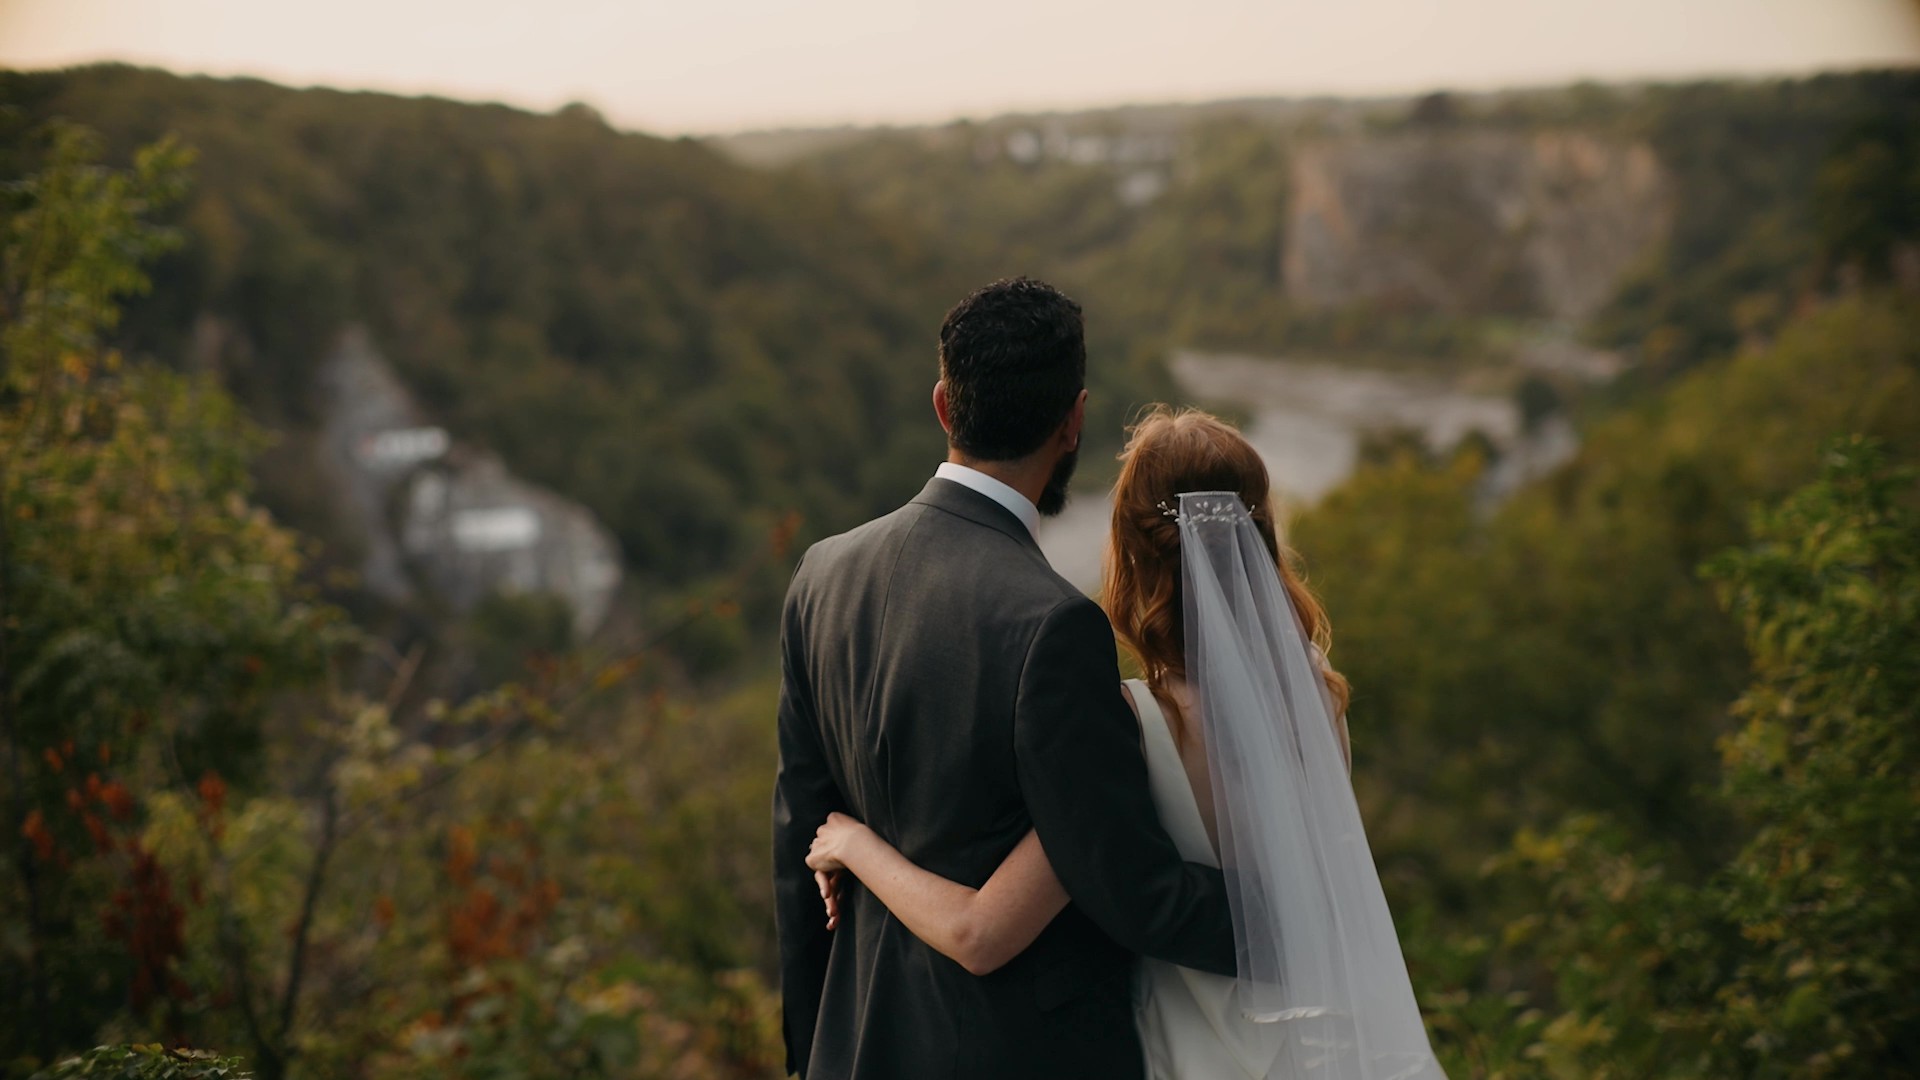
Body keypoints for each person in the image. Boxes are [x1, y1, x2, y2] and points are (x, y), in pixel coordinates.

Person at [807, 408, 1447, 1080]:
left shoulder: (1130, 727)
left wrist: (854, 843)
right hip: (1329, 1042)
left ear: (1131, 551)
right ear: (1259, 536)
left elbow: (981, 931)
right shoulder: (1321, 695)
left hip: (1195, 1056)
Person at [772, 281, 1237, 1080]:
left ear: (945, 406)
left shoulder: (821, 576)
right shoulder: (1054, 627)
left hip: (850, 1047)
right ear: (1075, 422)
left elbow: (798, 850)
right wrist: (1300, 918)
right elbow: (1133, 888)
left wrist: (811, 1047)